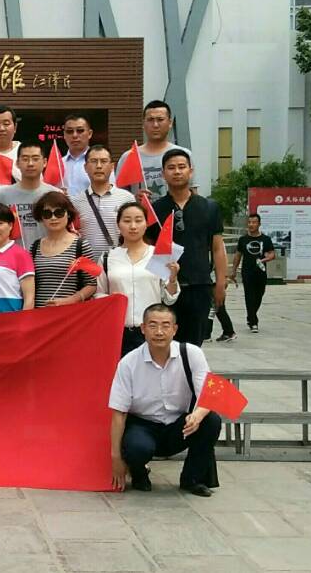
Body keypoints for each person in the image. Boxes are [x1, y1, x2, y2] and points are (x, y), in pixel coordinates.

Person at [108, 303, 221, 497]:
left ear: (175, 329)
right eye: (152, 325)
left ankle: (193, 478)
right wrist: (115, 457)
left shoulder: (191, 353)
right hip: (143, 425)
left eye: (165, 325)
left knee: (211, 420)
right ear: (143, 328)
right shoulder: (128, 363)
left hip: (179, 425)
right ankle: (138, 472)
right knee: (137, 447)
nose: (159, 332)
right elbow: (119, 412)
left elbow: (209, 393)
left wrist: (197, 415)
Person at [151, 149, 225, 347]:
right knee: (165, 343)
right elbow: (148, 247)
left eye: (182, 167)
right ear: (163, 173)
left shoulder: (209, 207)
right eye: (171, 168)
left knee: (193, 346)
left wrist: (220, 282)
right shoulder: (155, 209)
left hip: (199, 285)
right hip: (166, 288)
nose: (177, 172)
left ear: (191, 171)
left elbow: (217, 248)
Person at [97, 202, 180, 356]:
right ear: (118, 225)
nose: (133, 226)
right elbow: (99, 293)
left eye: (138, 220)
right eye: (127, 221)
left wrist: (173, 278)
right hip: (118, 331)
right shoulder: (108, 258)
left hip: (152, 332)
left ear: (146, 224)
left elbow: (169, 299)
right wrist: (111, 299)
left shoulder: (158, 255)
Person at [29, 191, 99, 306]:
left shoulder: (81, 245)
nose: (53, 218)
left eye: (59, 213)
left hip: (69, 313)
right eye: (47, 214)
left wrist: (71, 300)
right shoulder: (35, 247)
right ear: (41, 217)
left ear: (68, 214)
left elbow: (92, 284)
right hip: (39, 313)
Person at [114, 101, 192, 201]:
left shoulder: (183, 155)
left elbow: (192, 191)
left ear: (170, 123)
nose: (155, 125)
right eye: (150, 120)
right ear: (143, 123)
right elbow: (118, 196)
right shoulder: (129, 156)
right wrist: (134, 200)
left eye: (160, 120)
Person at [70, 145, 135, 261]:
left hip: (119, 263)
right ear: (85, 167)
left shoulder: (127, 198)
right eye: (94, 161)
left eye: (104, 161)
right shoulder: (75, 202)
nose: (99, 166)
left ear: (112, 166)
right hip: (87, 265)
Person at [0, 141, 58, 250]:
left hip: (47, 254)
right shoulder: (3, 195)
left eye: (35, 159)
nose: (30, 163)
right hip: (13, 255)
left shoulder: (55, 194)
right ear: (17, 163)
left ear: (45, 162)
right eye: (25, 159)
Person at [230, 213, 275, 333]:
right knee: (249, 296)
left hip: (261, 272)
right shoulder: (243, 240)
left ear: (259, 224)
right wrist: (233, 270)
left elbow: (272, 254)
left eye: (254, 222)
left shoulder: (265, 239)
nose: (251, 225)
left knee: (259, 295)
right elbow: (238, 255)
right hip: (247, 272)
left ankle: (251, 316)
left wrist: (265, 259)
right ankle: (253, 322)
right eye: (249, 222)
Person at [61, 114, 94, 196]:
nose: (75, 135)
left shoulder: (100, 162)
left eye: (80, 131)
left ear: (90, 134)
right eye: (69, 131)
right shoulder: (58, 164)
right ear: (64, 135)